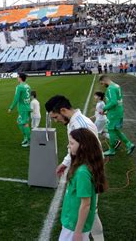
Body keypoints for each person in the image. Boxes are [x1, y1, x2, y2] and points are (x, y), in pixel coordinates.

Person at [45, 95, 104, 241]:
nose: (55, 121)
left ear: (63, 110)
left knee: (89, 209)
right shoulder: (73, 122)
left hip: (85, 172)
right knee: (89, 210)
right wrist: (66, 163)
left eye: (55, 117)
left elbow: (94, 152)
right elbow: (73, 149)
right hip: (80, 169)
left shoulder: (82, 125)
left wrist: (84, 174)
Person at [60, 128, 107, 241]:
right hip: (71, 221)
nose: (68, 146)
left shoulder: (82, 172)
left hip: (74, 225)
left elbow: (86, 204)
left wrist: (77, 232)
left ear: (83, 146)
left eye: (71, 143)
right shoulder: (82, 166)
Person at [99, 75, 135, 156]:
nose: (103, 85)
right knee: (116, 130)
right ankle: (129, 144)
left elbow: (113, 102)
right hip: (118, 111)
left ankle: (112, 150)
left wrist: (104, 108)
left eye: (102, 83)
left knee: (111, 130)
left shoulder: (111, 88)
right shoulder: (116, 85)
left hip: (114, 113)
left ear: (104, 81)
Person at [8, 73, 31, 147]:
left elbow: (16, 98)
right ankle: (25, 138)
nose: (17, 78)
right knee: (19, 122)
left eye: (18, 77)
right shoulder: (28, 86)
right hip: (27, 107)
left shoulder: (19, 87)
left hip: (23, 108)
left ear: (20, 78)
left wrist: (11, 108)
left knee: (25, 124)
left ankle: (29, 141)